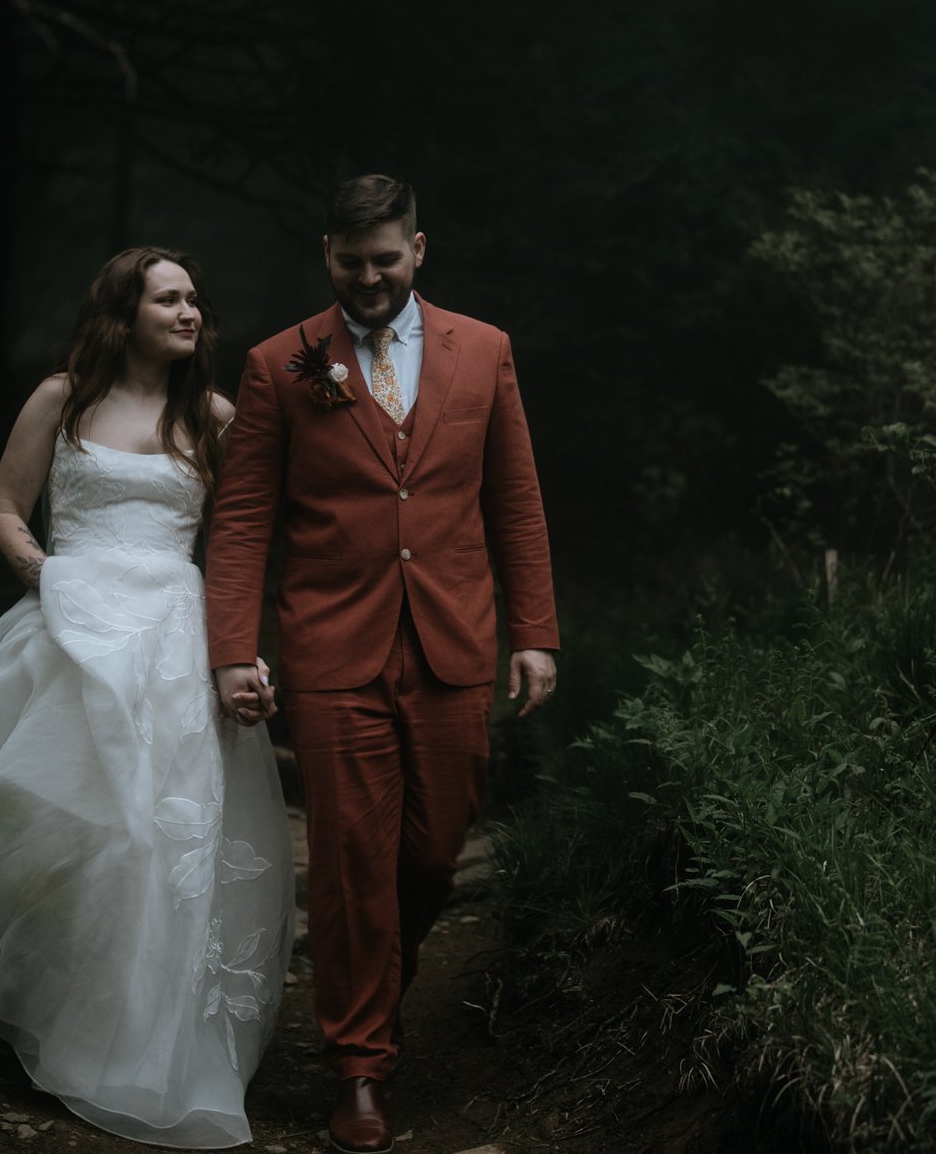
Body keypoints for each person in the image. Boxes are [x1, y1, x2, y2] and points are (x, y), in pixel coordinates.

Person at [0, 247, 294, 1150]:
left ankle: (113, 1038)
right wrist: (49, 579)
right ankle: (3, 994)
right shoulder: (62, 400)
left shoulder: (215, 418)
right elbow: (6, 506)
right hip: (66, 632)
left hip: (170, 641)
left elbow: (251, 537)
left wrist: (244, 649)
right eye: (170, 298)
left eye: (196, 298)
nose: (191, 311)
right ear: (123, 315)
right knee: (47, 810)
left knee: (146, 834)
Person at [206, 175, 560, 1154]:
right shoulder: (286, 363)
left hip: (453, 638)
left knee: (433, 849)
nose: (369, 277)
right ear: (329, 254)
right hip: (330, 645)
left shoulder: (482, 351)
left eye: (387, 259)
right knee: (354, 853)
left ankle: (377, 975)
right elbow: (242, 522)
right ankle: (358, 1063)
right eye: (352, 261)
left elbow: (515, 499)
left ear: (418, 250)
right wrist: (234, 650)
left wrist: (534, 631)